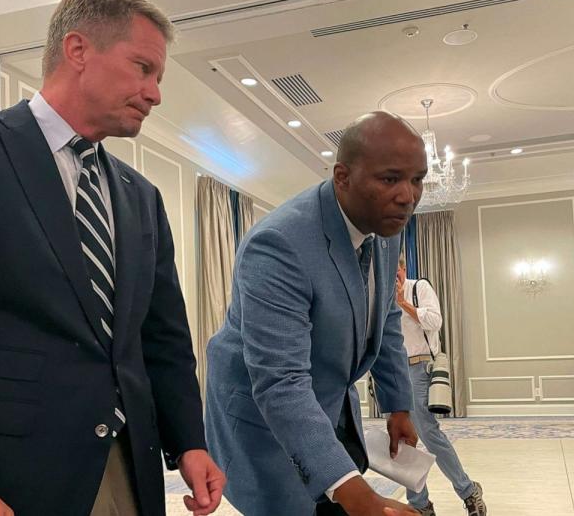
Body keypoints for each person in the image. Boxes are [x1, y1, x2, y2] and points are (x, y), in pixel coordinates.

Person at [0, 0, 223, 515]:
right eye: (143, 68)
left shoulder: (141, 197)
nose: (156, 93)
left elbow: (162, 338)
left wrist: (190, 441)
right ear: (78, 50)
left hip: (128, 468)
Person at [205, 111, 428, 516]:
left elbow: (388, 321)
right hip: (267, 424)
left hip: (332, 404)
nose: (407, 196)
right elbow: (280, 382)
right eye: (390, 178)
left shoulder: (384, 231)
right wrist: (360, 497)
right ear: (342, 177)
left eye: (417, 180)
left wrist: (399, 405)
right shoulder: (279, 244)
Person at [394, 260, 484, 516]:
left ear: (403, 270)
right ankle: (420, 504)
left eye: (396, 272)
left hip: (419, 367)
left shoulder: (418, 287)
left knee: (429, 434)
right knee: (401, 440)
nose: (392, 278)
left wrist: (403, 303)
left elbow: (435, 321)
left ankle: (468, 490)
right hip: (394, 371)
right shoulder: (379, 298)